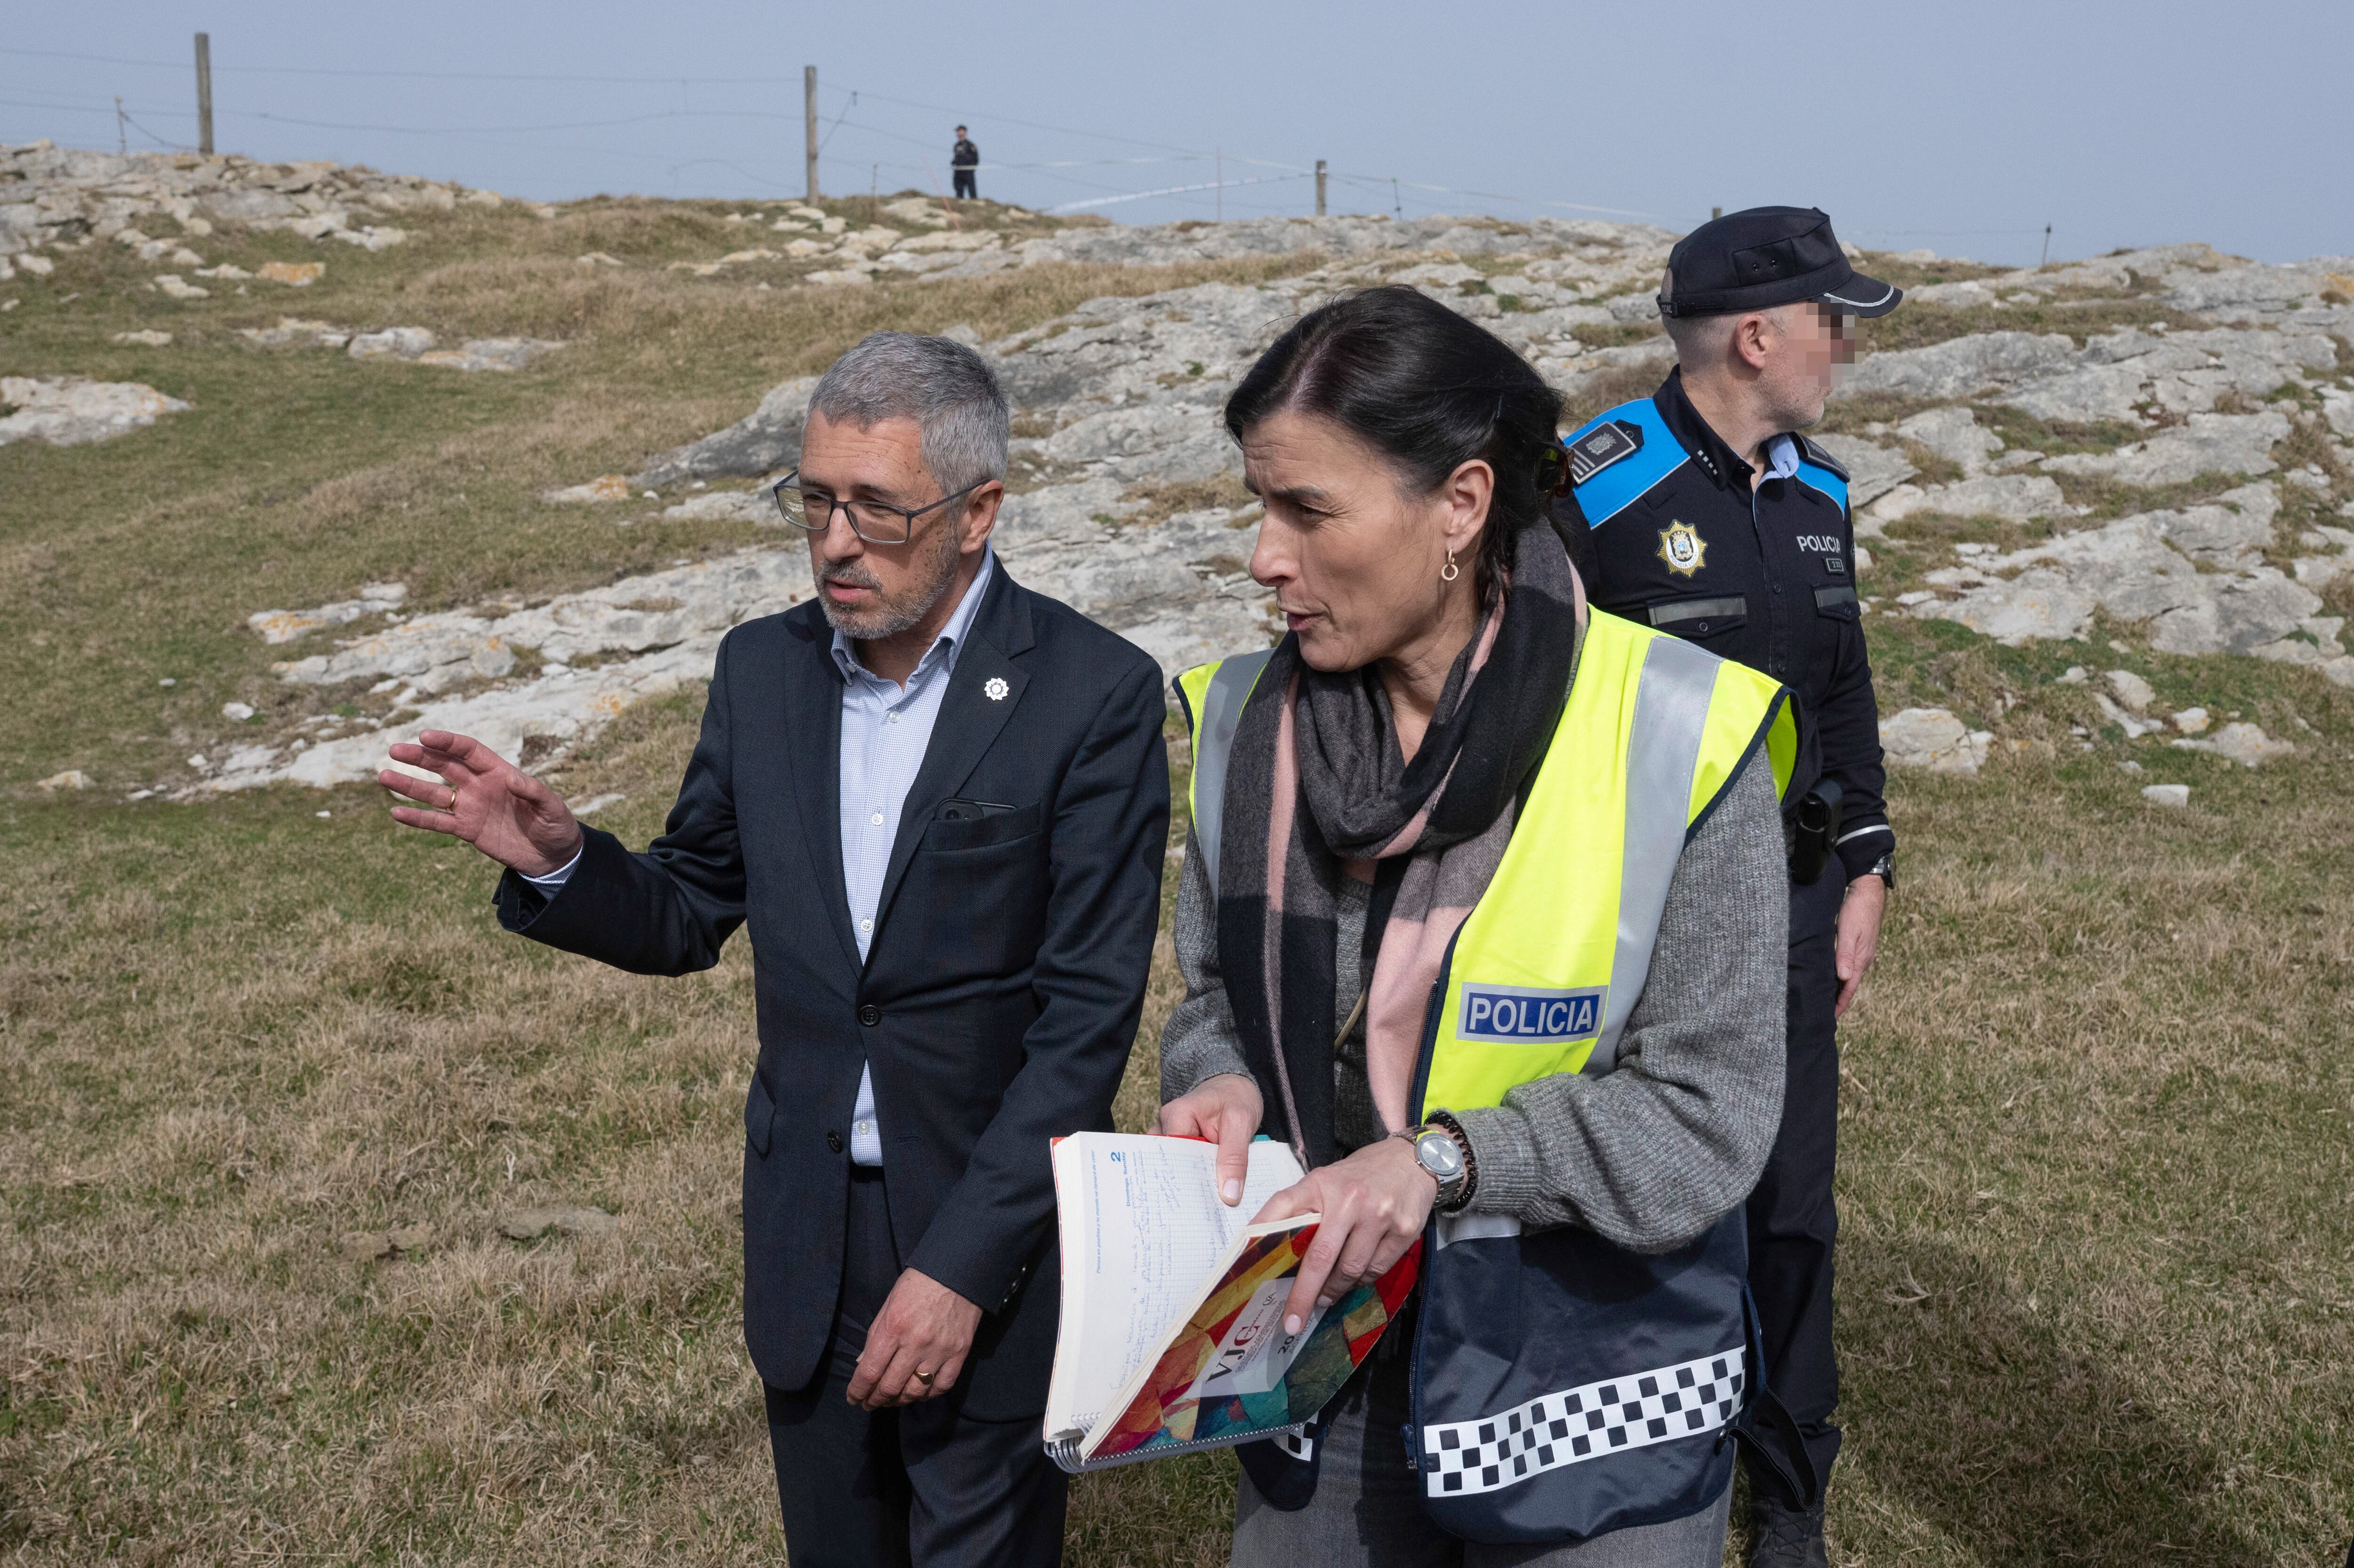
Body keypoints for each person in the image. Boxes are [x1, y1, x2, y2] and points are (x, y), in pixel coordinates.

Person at [379, 332, 1170, 1568]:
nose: (837, 541)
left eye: (878, 508)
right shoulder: (762, 671)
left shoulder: (1094, 693)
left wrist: (963, 1270)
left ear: (977, 513)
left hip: (991, 1240)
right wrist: (561, 858)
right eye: (814, 500)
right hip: (811, 1244)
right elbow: (691, 905)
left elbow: (1084, 1025)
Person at [1159, 284, 1799, 1567]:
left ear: (1460, 504)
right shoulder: (1241, 726)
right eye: (1260, 506)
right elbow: (1215, 997)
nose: (1265, 557)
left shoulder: (1677, 730)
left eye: (1308, 510)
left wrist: (1444, 1161)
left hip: (1591, 1382)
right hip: (1319, 1351)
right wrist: (1218, 1076)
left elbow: (1708, 1111)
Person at [1556, 205, 1901, 1568]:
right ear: (1756, 337)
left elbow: (1845, 685)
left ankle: (1789, 1483)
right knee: (1642, 1187)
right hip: (1640, 914)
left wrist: (1868, 861)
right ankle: (1635, 1454)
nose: (1845, 349)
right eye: (1831, 323)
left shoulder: (1821, 496)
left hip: (1798, 907)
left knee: (1790, 1205)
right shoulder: (1593, 490)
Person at [951, 126, 979, 201]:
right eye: (958, 131)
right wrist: (955, 162)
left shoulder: (970, 145)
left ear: (965, 132)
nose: (959, 133)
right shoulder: (957, 145)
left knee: (971, 189)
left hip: (968, 171)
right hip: (958, 171)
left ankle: (974, 203)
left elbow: (975, 158)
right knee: (958, 189)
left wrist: (972, 167)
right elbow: (956, 157)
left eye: (960, 131)